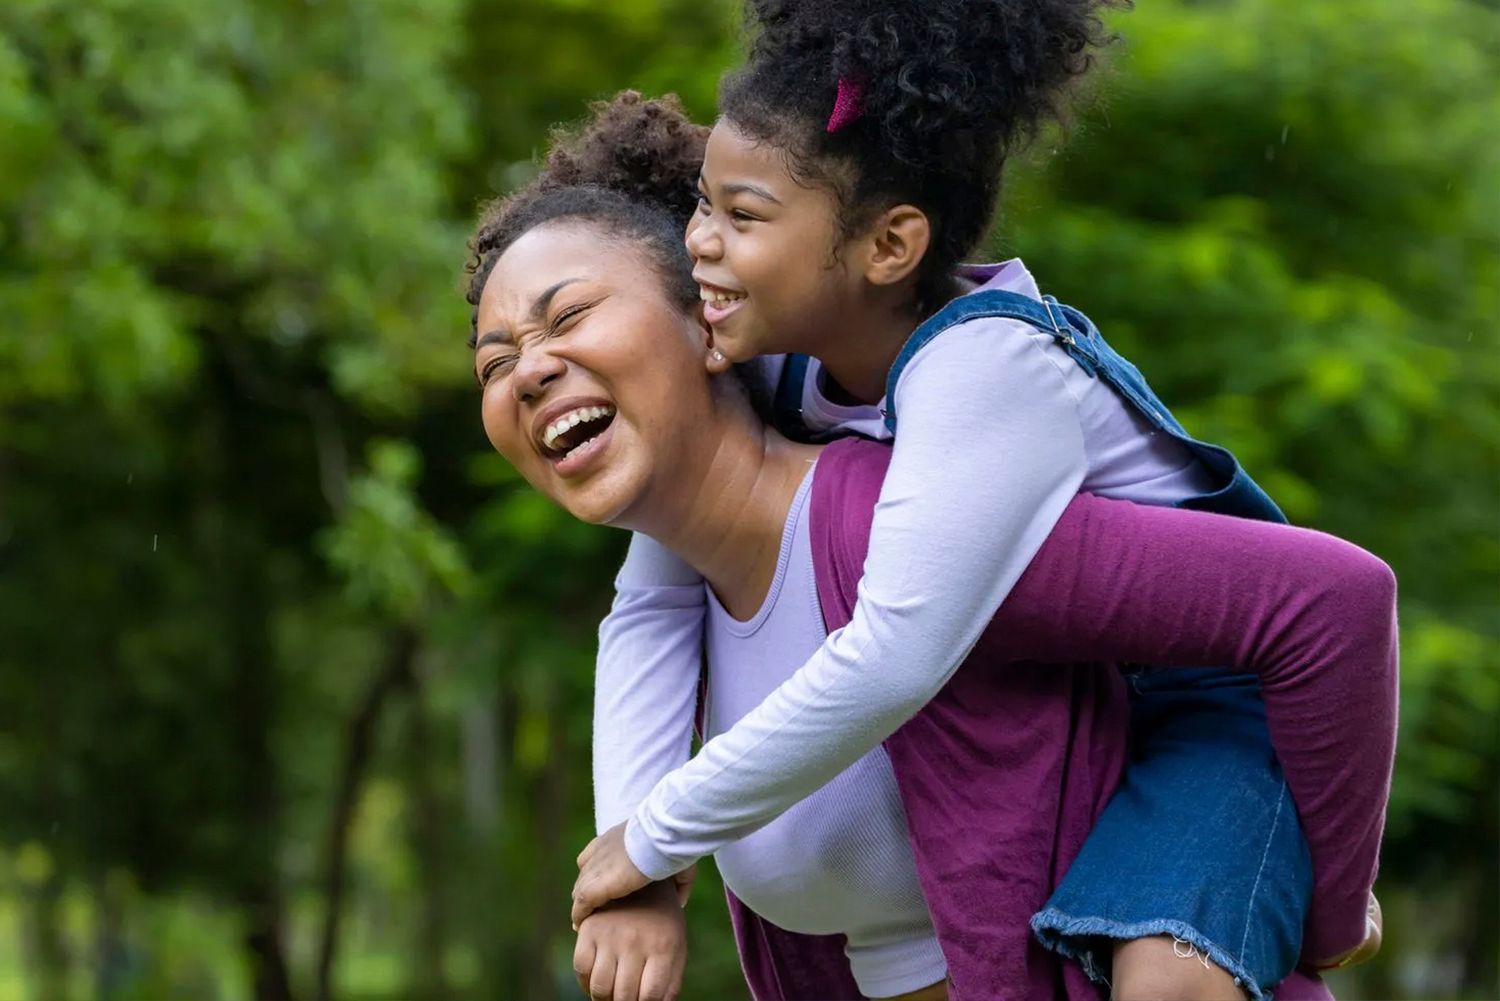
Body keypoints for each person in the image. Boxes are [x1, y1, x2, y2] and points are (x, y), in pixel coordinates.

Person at [462, 93, 1396, 1001]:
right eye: (495, 361)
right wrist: (634, 871)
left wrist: (1336, 903)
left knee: (1171, 974)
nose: (531, 369)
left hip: (1225, 698)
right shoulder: (780, 411)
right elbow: (645, 609)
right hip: (1142, 675)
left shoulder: (966, 402)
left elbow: (896, 653)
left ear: (704, 330)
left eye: (570, 315)